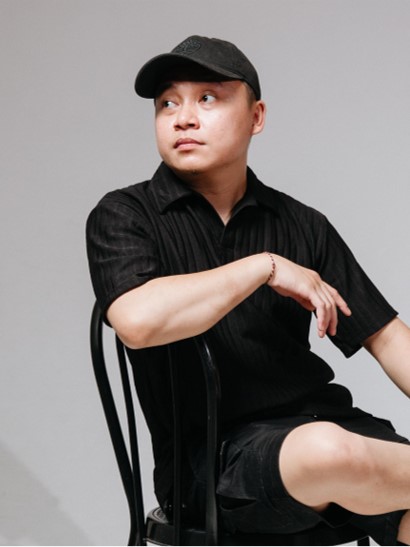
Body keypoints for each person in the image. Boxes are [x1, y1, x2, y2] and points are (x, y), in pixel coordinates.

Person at [86, 35, 410, 545]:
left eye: (207, 98)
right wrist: (264, 267)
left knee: (343, 454)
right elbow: (138, 322)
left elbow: (387, 337)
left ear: (256, 116)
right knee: (328, 451)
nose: (182, 118)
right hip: (214, 463)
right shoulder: (126, 214)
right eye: (167, 103)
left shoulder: (301, 223)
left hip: (331, 434)